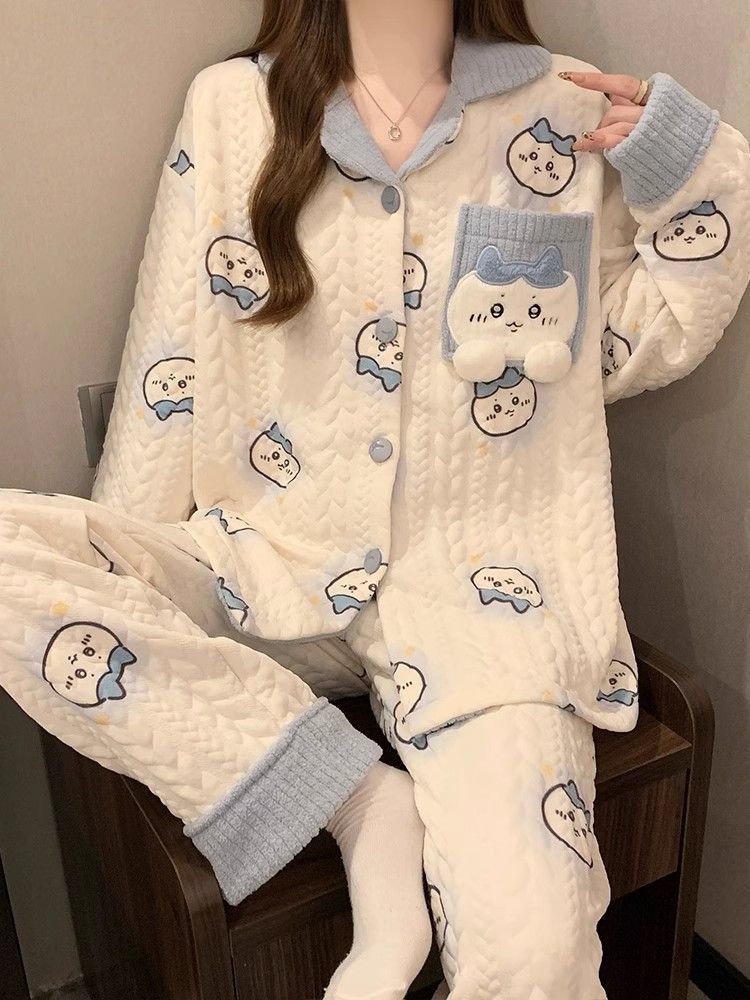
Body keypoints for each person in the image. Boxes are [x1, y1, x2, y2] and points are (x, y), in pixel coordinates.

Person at [2, 0, 749, 997]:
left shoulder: (558, 109)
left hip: (478, 603)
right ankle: (356, 800)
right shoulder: (234, 108)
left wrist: (690, 165)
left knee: (538, 953)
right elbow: (169, 358)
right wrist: (132, 574)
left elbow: (642, 336)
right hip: (266, 563)